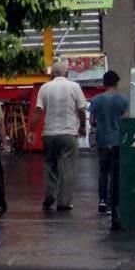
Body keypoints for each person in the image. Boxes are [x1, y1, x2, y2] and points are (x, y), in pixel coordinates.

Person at [31, 61, 86, 212]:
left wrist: (31, 130)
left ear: (52, 74)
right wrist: (82, 126)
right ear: (66, 73)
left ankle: (49, 196)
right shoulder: (74, 87)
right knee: (67, 168)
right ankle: (64, 202)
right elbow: (81, 109)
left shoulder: (44, 87)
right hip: (68, 133)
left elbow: (38, 110)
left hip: (48, 134)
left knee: (49, 165)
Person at [88, 71, 129, 227]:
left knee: (103, 171)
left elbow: (92, 121)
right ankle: (114, 202)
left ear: (104, 83)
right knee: (116, 172)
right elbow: (125, 119)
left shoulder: (96, 100)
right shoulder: (122, 100)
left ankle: (102, 200)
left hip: (102, 139)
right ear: (116, 83)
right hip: (117, 140)